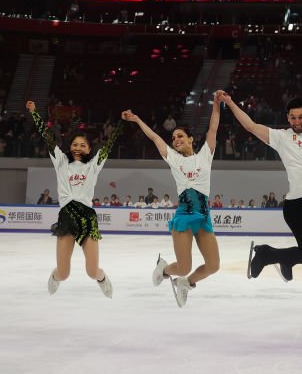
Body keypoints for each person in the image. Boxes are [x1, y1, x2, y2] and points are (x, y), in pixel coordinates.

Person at [220, 91, 302, 281]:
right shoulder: (282, 137)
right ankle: (265, 254)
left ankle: (286, 260)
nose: (297, 122)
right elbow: (250, 126)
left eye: (301, 117)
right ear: (288, 118)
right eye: (293, 118)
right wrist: (229, 102)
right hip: (295, 206)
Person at [123, 94, 221, 308]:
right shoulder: (174, 159)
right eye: (174, 138)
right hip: (184, 215)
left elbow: (212, 129)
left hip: (204, 216)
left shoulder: (205, 155)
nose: (176, 140)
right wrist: (137, 119)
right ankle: (165, 269)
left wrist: (216, 104)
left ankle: (186, 283)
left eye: (180, 136)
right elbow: (155, 138)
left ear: (191, 139)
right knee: (184, 265)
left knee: (213, 265)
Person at [28, 100, 120, 299]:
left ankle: (103, 279)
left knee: (92, 271)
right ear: (70, 147)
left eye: (83, 145)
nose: (78, 147)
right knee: (63, 273)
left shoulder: (94, 165)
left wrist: (121, 123)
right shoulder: (60, 161)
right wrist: (35, 113)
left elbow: (109, 144)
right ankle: (54, 276)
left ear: (89, 149)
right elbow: (48, 137)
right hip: (66, 217)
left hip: (87, 218)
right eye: (75, 144)